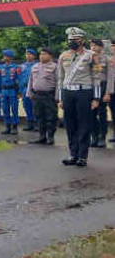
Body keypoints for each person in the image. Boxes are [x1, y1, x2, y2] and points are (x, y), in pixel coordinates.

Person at [58, 27, 100, 167]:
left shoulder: (92, 55)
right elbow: (60, 78)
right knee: (70, 124)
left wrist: (96, 98)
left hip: (84, 93)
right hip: (68, 93)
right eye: (70, 40)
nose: (72, 42)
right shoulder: (63, 56)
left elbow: (97, 77)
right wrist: (61, 98)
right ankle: (73, 154)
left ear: (81, 40)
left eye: (74, 39)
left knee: (84, 124)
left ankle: (82, 156)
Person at [26, 48, 58, 145]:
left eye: (44, 54)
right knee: (39, 116)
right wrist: (29, 93)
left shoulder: (55, 67)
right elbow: (31, 81)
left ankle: (50, 137)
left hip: (49, 95)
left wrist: (58, 96)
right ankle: (42, 136)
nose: (42, 56)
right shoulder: (35, 66)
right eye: (41, 54)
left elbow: (59, 82)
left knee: (50, 117)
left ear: (50, 56)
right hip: (37, 94)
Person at [89, 39, 109, 148]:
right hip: (91, 87)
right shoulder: (87, 58)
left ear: (101, 47)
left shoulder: (106, 59)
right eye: (91, 45)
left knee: (102, 113)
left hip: (102, 86)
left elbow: (109, 77)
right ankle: (94, 136)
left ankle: (102, 137)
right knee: (91, 113)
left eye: (95, 45)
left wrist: (107, 93)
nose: (93, 47)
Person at [0, 49, 20, 135]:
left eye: (7, 56)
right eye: (5, 56)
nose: (6, 58)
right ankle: (7, 126)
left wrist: (19, 92)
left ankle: (15, 127)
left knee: (14, 109)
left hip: (12, 90)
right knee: (5, 109)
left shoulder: (16, 67)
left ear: (11, 57)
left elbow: (19, 79)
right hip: (4, 90)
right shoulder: (1, 68)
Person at [20, 48, 37, 131]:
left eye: (30, 54)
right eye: (27, 54)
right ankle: (30, 123)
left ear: (34, 56)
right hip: (24, 88)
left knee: (34, 106)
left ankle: (36, 124)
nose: (28, 56)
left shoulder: (36, 65)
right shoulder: (22, 66)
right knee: (26, 106)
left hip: (33, 88)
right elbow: (20, 78)